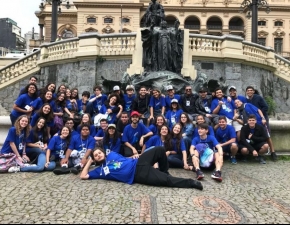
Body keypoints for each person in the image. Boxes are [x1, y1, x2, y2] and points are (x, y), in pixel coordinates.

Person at [80, 146, 203, 191]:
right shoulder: (99, 171)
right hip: (138, 174)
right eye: (96, 156)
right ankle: (191, 183)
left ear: (104, 153)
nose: (98, 155)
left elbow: (124, 159)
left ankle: (164, 171)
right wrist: (90, 160)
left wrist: (133, 156)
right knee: (166, 181)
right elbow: (83, 176)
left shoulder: (112, 154)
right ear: (95, 159)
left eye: (99, 153)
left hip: (139, 161)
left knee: (160, 149)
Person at [245, 85, 277, 161]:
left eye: (251, 90)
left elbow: (266, 107)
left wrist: (260, 116)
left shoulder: (258, 97)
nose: (249, 92)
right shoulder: (247, 100)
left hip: (263, 119)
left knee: (267, 135)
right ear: (246, 92)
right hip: (255, 121)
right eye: (248, 90)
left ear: (253, 91)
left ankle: (273, 152)